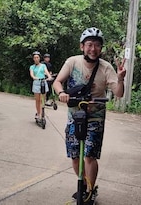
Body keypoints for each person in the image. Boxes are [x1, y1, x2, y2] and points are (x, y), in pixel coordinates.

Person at [52, 27, 126, 202]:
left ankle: (91, 191)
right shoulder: (72, 62)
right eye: (89, 45)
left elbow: (119, 93)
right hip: (75, 116)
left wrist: (121, 78)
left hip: (95, 116)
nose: (93, 49)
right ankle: (84, 184)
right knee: (75, 155)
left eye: (97, 45)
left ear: (101, 48)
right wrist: (61, 92)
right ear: (82, 47)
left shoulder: (106, 68)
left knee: (90, 155)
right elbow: (57, 82)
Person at [29, 51, 53, 121]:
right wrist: (34, 77)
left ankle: (42, 112)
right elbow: (32, 74)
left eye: (37, 57)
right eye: (35, 57)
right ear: (33, 59)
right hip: (36, 83)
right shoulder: (32, 67)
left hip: (43, 82)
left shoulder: (43, 66)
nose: (36, 59)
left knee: (43, 100)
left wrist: (49, 77)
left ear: (39, 58)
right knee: (37, 100)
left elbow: (47, 73)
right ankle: (38, 113)